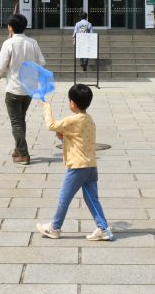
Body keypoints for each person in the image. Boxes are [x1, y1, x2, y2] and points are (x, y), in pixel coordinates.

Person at [36, 83, 113, 241]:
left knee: (64, 198)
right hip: (90, 166)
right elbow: (81, 139)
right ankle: (103, 228)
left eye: (70, 100)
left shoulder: (73, 119)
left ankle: (54, 227)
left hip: (78, 168)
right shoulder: (89, 119)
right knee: (91, 198)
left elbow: (51, 125)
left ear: (73, 103)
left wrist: (46, 106)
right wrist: (64, 137)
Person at [0, 13, 46, 165]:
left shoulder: (8, 43)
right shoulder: (33, 43)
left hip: (14, 88)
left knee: (16, 122)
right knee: (21, 119)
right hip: (29, 89)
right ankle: (17, 149)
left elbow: (2, 64)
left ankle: (23, 153)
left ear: (10, 27)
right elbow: (41, 62)